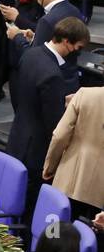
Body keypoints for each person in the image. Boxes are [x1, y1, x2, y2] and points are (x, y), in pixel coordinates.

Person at [9, 17, 90, 211]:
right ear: (66, 41)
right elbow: (55, 125)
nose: (78, 52)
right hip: (36, 152)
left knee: (15, 198)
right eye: (77, 47)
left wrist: (59, 98)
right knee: (31, 206)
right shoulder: (53, 74)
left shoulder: (32, 54)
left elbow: (26, 95)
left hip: (18, 137)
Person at [43, 85, 104, 222]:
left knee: (55, 230)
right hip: (99, 191)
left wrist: (50, 166)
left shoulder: (84, 94)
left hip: (69, 175)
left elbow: (59, 136)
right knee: (87, 236)